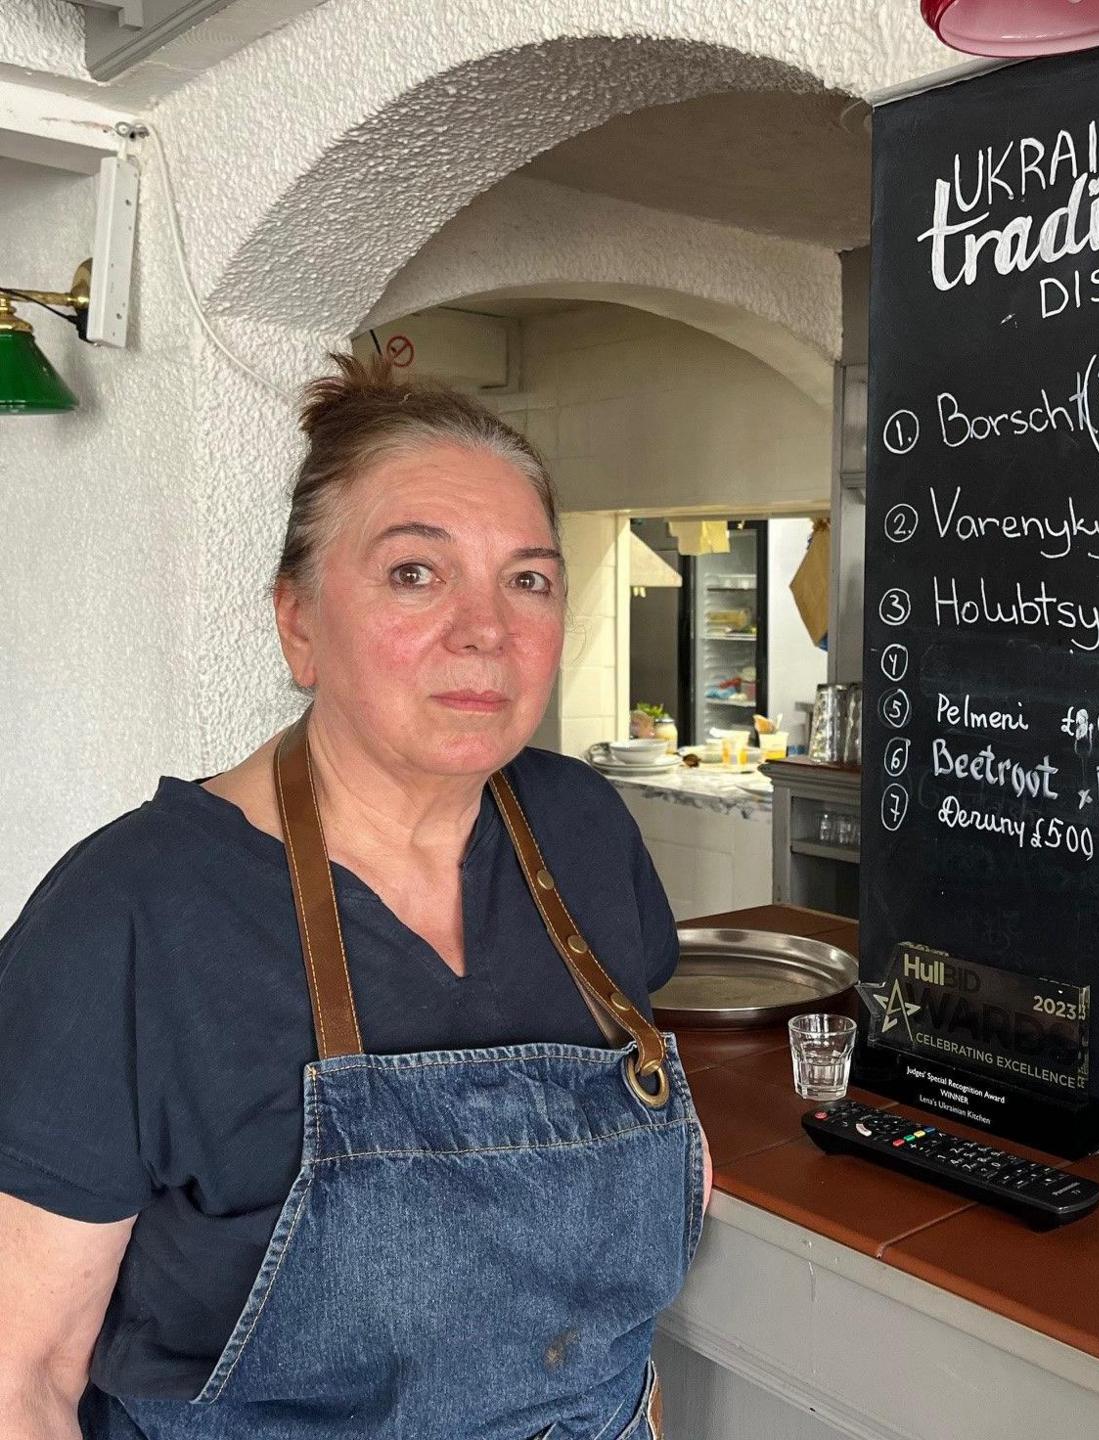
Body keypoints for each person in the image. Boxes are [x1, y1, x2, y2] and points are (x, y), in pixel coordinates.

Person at [0, 353, 711, 1439]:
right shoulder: (130, 917)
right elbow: (24, 1376)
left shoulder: (584, 829)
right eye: (415, 574)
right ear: (298, 625)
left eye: (528, 579)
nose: (486, 629)